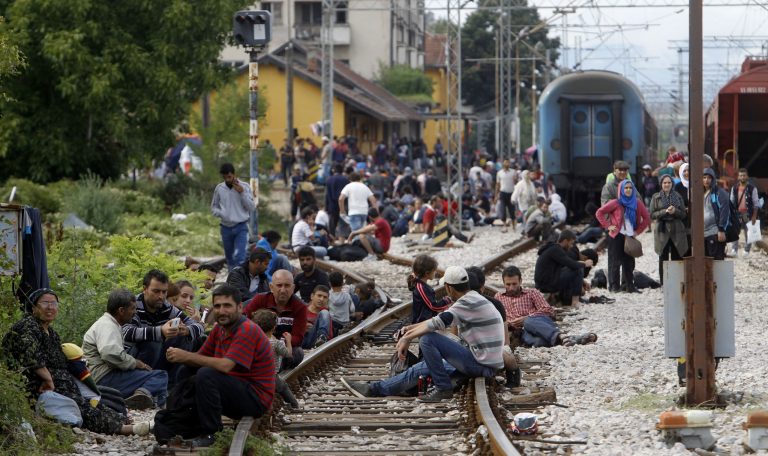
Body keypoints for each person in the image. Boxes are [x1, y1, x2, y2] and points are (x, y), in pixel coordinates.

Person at [340, 266, 505, 402]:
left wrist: (407, 337)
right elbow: (437, 320)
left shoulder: (466, 303)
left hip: (482, 364)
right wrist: (408, 330)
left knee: (428, 339)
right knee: (421, 367)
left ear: (448, 287)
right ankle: (374, 389)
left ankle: (443, 388)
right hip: (483, 362)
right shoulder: (472, 299)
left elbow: (434, 325)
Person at [2, 288, 152, 436]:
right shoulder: (27, 326)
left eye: (54, 303)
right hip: (39, 386)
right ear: (33, 307)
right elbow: (31, 357)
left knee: (99, 399)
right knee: (81, 406)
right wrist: (48, 379)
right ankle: (124, 429)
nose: (50, 307)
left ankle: (124, 422)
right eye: (45, 303)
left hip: (62, 382)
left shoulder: (51, 333)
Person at [166, 284, 275, 447]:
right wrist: (179, 355)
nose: (221, 311)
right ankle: (182, 423)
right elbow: (200, 358)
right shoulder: (220, 330)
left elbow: (226, 366)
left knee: (206, 374)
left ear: (239, 307)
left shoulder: (247, 329)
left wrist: (185, 355)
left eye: (227, 306)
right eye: (217, 306)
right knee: (186, 370)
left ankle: (212, 434)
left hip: (255, 398)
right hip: (235, 390)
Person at [82, 289, 169, 409]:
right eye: (132, 308)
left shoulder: (109, 324)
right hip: (104, 378)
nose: (135, 312)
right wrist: (135, 363)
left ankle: (149, 401)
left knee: (151, 376)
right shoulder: (107, 326)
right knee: (160, 375)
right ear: (121, 310)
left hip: (102, 377)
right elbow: (109, 354)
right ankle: (147, 401)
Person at [122, 270, 206, 383]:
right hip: (131, 358)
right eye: (156, 291)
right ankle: (143, 384)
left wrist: (186, 330)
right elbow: (126, 332)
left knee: (185, 337)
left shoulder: (166, 307)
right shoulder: (134, 305)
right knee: (153, 340)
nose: (161, 296)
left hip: (156, 358)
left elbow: (198, 327)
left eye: (164, 292)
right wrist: (160, 331)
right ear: (145, 289)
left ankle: (168, 385)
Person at [494, 267, 594, 347]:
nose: (511, 288)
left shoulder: (532, 293)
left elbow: (548, 310)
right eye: (508, 284)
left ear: (520, 281)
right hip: (520, 332)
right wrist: (508, 323)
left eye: (514, 284)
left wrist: (527, 318)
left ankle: (559, 335)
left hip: (537, 323)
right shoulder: (498, 297)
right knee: (538, 342)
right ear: (503, 283)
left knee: (528, 321)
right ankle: (572, 339)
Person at [465, 266, 520, 387]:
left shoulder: (460, 304)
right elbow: (506, 341)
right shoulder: (495, 304)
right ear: (483, 287)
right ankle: (514, 374)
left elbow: (454, 337)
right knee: (505, 352)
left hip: (476, 351)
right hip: (489, 352)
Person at [244, 270, 307, 369]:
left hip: (283, 347)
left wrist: (277, 344)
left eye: (287, 286)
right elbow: (245, 324)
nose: (283, 290)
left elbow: (298, 337)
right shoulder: (259, 300)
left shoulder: (300, 307)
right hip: (259, 345)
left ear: (293, 288)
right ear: (271, 287)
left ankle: (275, 369)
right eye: (279, 285)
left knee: (298, 352)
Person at [596, 179, 651, 293]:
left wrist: (638, 231)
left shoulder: (637, 202)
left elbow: (646, 218)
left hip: (630, 236)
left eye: (630, 188)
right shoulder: (615, 202)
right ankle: (614, 287)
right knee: (615, 262)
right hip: (616, 236)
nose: (628, 190)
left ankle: (629, 286)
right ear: (621, 189)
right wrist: (608, 226)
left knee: (629, 262)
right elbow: (599, 212)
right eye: (626, 188)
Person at [211, 163, 256, 270]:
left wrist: (242, 193)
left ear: (234, 174)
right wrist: (222, 213)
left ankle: (239, 279)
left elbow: (251, 207)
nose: (227, 179)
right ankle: (232, 280)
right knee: (229, 258)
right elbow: (214, 207)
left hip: (241, 226)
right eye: (225, 177)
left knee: (240, 256)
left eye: (229, 177)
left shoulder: (245, 186)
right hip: (225, 227)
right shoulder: (219, 188)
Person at [251, 309, 299, 408]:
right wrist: (288, 341)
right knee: (283, 388)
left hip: (254, 374)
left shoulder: (253, 341)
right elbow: (288, 354)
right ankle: (294, 405)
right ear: (273, 328)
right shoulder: (275, 343)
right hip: (270, 375)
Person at [534, 230, 593, 306]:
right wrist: (585, 264)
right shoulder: (556, 250)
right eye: (571, 243)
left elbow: (565, 267)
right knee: (578, 268)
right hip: (546, 284)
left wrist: (583, 282)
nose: (572, 246)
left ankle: (564, 298)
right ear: (565, 241)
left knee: (577, 266)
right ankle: (575, 302)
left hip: (543, 283)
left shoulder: (554, 248)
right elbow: (572, 264)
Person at [650, 175, 688, 285]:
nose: (667, 185)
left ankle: (676, 282)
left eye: (669, 183)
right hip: (662, 229)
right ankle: (664, 282)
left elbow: (683, 214)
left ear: (672, 184)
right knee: (663, 256)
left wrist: (675, 211)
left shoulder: (678, 196)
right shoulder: (656, 197)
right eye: (664, 183)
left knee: (677, 255)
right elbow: (652, 215)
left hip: (676, 229)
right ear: (661, 184)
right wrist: (665, 212)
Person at [408, 254, 451, 324]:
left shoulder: (422, 285)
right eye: (434, 271)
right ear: (427, 273)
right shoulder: (421, 288)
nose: (435, 273)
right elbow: (433, 306)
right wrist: (446, 301)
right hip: (422, 322)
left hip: (426, 320)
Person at [729, 168, 760, 258]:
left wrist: (754, 216)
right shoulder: (734, 188)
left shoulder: (752, 188)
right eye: (741, 175)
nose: (742, 177)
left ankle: (746, 250)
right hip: (737, 213)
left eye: (744, 175)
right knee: (735, 232)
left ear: (747, 177)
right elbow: (731, 201)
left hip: (747, 214)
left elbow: (756, 203)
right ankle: (734, 250)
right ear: (738, 177)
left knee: (748, 232)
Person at [703, 167, 730, 260]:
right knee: (706, 261)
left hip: (715, 232)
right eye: (704, 177)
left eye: (709, 178)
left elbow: (724, 211)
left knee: (716, 261)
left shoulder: (719, 192)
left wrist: (721, 229)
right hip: (703, 233)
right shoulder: (701, 192)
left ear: (713, 179)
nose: (706, 180)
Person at [325, 164, 350, 236]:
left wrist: (326, 207)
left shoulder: (329, 179)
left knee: (332, 223)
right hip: (343, 205)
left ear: (334, 170)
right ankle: (343, 238)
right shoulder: (345, 179)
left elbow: (327, 195)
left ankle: (332, 238)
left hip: (332, 205)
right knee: (343, 223)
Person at [328, 271, 356, 335]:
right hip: (344, 323)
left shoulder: (328, 295)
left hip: (333, 323)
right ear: (342, 283)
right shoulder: (347, 295)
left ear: (329, 284)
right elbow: (352, 309)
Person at [495, 159, 517, 232]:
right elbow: (497, 184)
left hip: (511, 193)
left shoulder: (513, 172)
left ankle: (514, 226)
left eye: (508, 162)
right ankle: (504, 225)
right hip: (503, 193)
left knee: (512, 210)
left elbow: (516, 183)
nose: (506, 163)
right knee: (502, 209)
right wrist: (496, 195)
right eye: (505, 162)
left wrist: (515, 180)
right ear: (503, 164)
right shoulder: (499, 173)